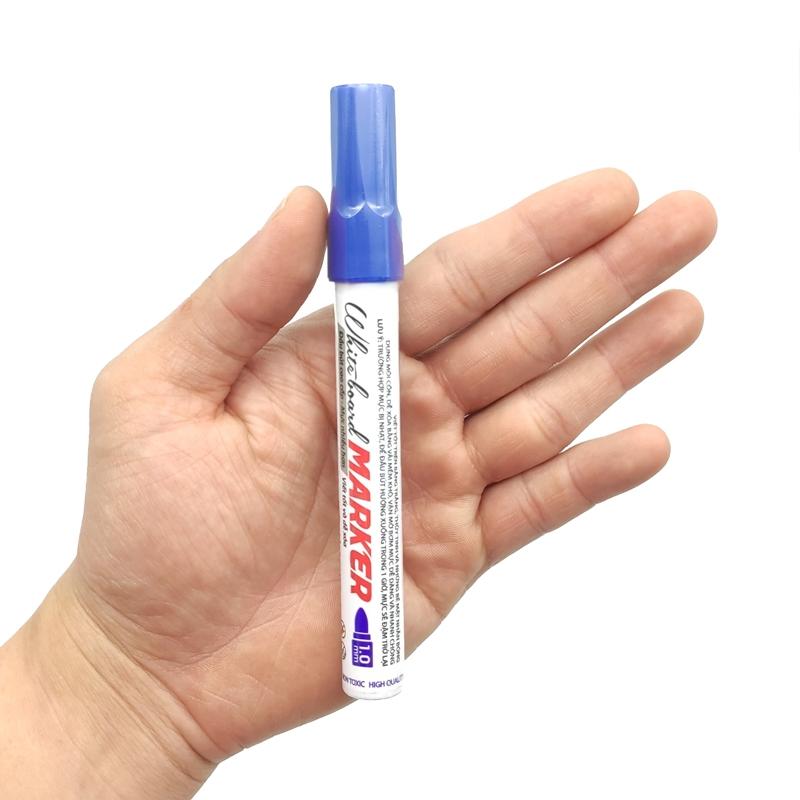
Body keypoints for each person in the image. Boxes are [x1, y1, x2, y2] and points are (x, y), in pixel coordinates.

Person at [0, 169, 716, 798]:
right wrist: (121, 669)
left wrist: (120, 689)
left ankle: (367, 650)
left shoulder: (368, 304)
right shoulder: (357, 303)